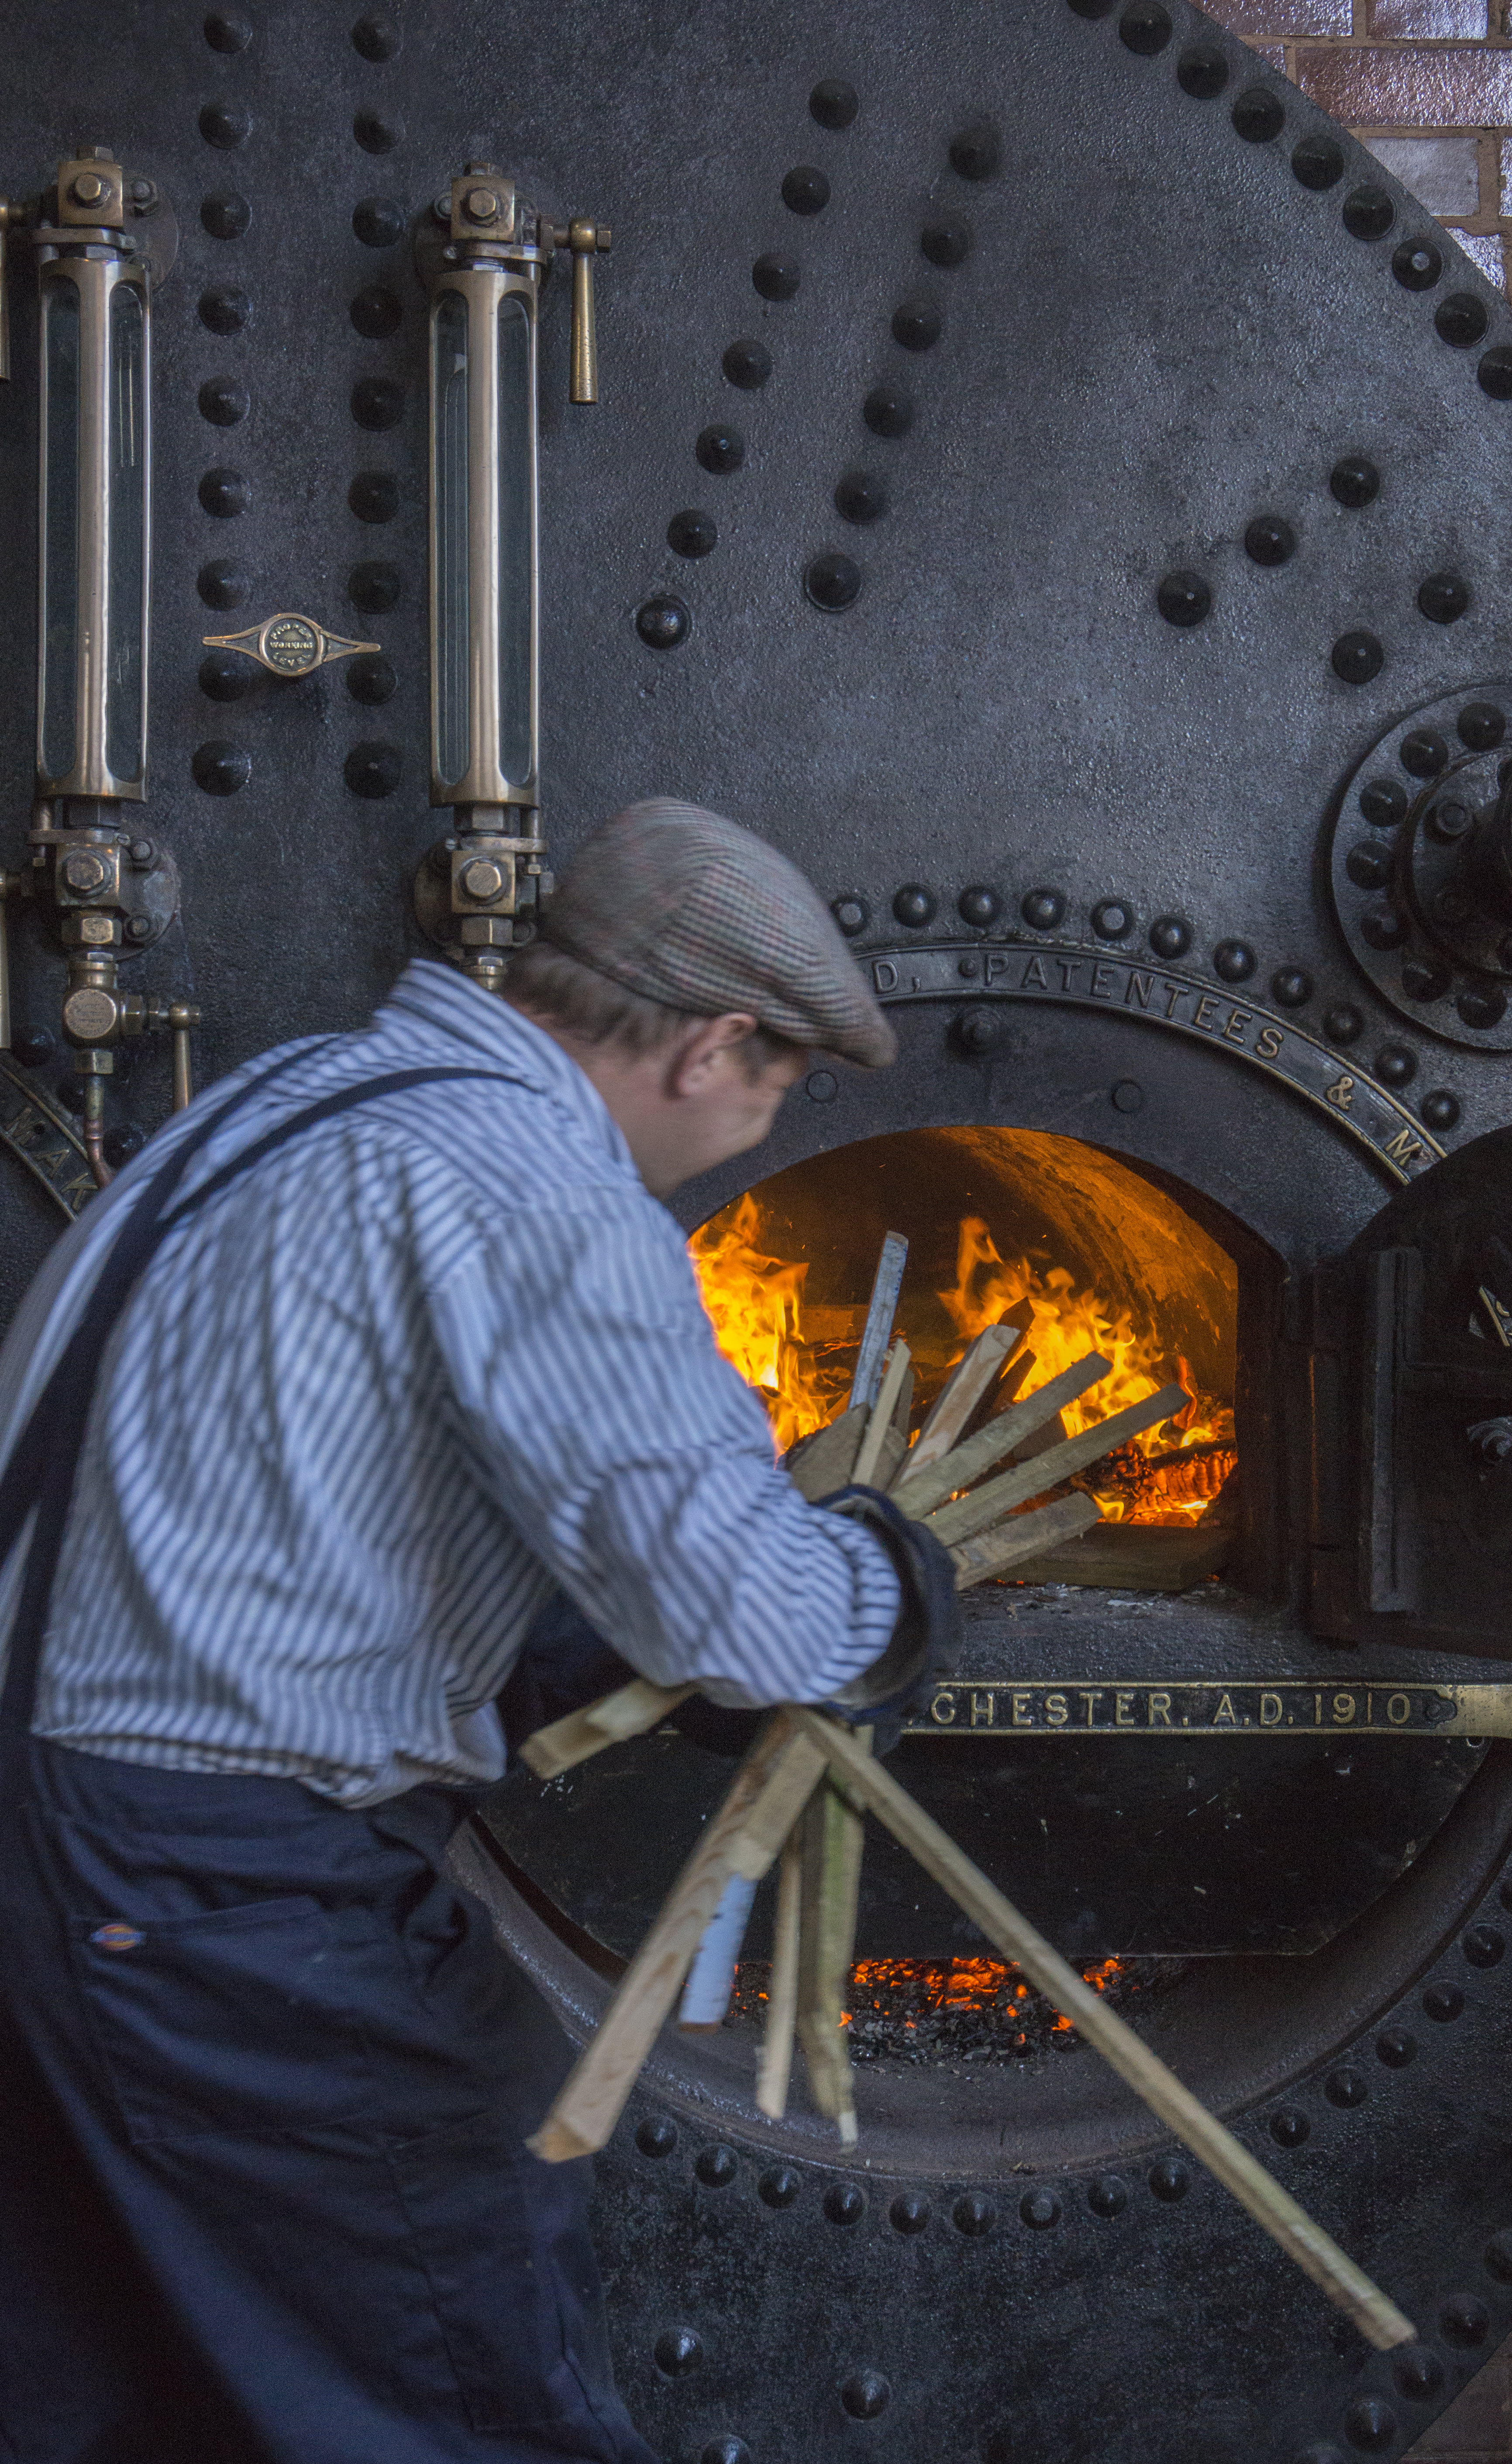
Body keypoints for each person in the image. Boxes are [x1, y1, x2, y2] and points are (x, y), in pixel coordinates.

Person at [0, 800, 950, 2464]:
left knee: (107, 2402)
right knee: (457, 2388)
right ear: (715, 1045)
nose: (746, 1135)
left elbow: (317, 1502)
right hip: (213, 1887)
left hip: (62, 1845)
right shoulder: (522, 1186)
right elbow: (758, 1619)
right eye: (776, 1093)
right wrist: (890, 1580)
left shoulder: (293, 1102)